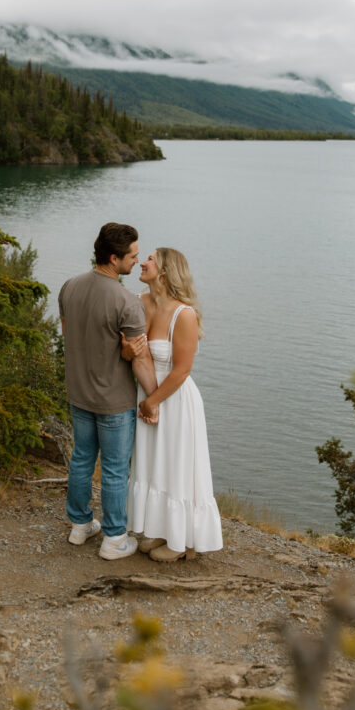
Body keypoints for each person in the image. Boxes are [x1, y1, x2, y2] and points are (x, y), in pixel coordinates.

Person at [59, 223, 158, 560]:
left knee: (82, 459)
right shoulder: (127, 302)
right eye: (132, 255)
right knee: (116, 470)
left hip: (78, 393)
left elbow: (69, 334)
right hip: (113, 401)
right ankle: (115, 538)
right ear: (114, 258)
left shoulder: (69, 286)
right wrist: (156, 397)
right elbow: (141, 360)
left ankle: (80, 525)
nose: (137, 260)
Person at [123, 247, 223, 562]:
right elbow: (129, 353)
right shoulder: (139, 302)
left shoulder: (184, 314)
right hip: (146, 397)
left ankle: (181, 542)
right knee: (152, 463)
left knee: (176, 465)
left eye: (149, 259)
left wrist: (153, 402)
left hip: (175, 399)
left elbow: (181, 370)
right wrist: (127, 353)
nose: (141, 262)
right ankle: (157, 529)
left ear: (164, 271)